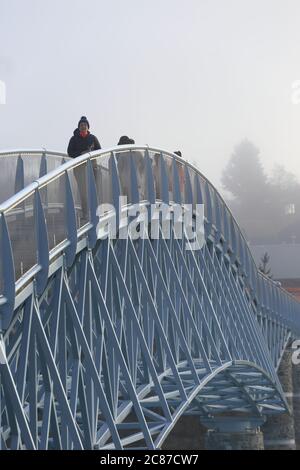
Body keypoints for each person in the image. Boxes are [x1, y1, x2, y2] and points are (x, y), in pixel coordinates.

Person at [67, 117, 101, 219]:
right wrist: (81, 154)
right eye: (81, 125)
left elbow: (100, 151)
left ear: (87, 127)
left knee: (94, 190)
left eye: (85, 125)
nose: (83, 126)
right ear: (79, 127)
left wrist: (91, 153)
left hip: (93, 167)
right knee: (83, 191)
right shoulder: (74, 139)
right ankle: (85, 213)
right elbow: (70, 152)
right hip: (79, 168)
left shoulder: (93, 138)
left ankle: (95, 211)